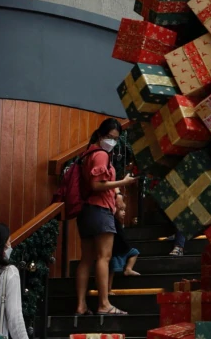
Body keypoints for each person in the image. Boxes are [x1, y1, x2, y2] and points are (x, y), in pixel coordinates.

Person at [74, 118, 136, 316]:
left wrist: (117, 193)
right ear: (100, 135)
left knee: (86, 259)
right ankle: (104, 304)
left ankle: (81, 305)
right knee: (104, 257)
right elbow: (97, 185)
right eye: (109, 137)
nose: (112, 142)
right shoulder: (101, 154)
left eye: (116, 139)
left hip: (86, 212)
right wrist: (123, 183)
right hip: (100, 210)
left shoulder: (88, 153)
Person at [108, 190, 141, 293]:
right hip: (116, 251)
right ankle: (108, 289)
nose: (124, 212)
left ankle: (128, 269)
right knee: (111, 270)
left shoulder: (119, 223)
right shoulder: (112, 220)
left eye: (124, 210)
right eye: (121, 210)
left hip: (125, 250)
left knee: (135, 252)